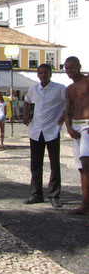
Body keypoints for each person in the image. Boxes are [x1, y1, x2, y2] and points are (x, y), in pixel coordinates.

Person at [23, 64, 65, 208]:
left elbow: (70, 103)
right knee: (35, 164)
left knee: (54, 164)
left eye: (46, 73)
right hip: (36, 130)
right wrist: (25, 114)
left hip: (52, 130)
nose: (43, 75)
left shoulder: (60, 89)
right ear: (37, 74)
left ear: (50, 74)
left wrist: (65, 115)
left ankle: (54, 195)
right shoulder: (33, 89)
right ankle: (36, 194)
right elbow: (27, 100)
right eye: (40, 73)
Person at [64, 56, 89, 215]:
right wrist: (69, 127)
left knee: (87, 165)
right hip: (76, 126)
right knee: (81, 168)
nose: (69, 71)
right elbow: (67, 111)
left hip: (87, 125)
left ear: (79, 67)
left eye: (72, 67)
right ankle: (85, 204)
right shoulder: (69, 89)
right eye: (66, 68)